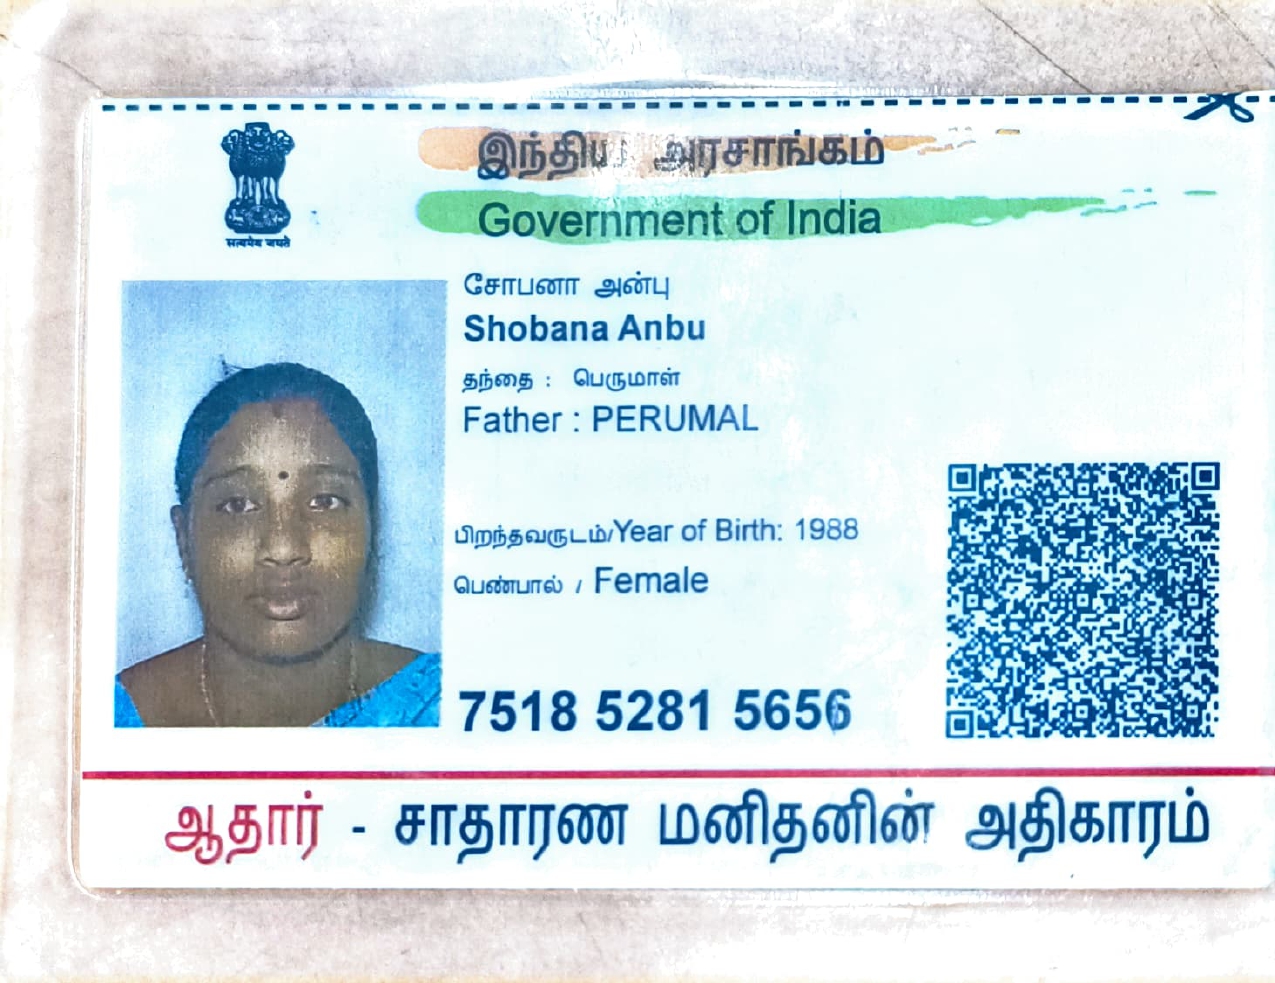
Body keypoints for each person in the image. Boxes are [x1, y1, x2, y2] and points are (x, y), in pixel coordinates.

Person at [115, 362, 440, 727]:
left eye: (324, 501)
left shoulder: (440, 706)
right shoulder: (101, 718)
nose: (284, 549)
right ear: (184, 540)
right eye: (238, 505)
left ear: (372, 527)